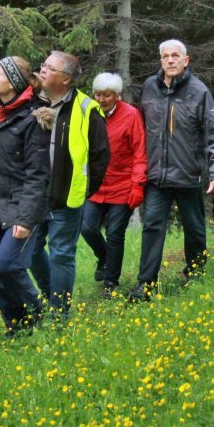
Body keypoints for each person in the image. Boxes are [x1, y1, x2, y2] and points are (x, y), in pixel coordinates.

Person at [128, 40, 214, 302]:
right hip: (157, 176)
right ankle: (145, 284)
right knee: (152, 227)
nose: (170, 60)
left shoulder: (199, 92)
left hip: (189, 175)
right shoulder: (149, 87)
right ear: (160, 61)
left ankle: (195, 272)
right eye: (165, 56)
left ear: (186, 60)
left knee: (194, 229)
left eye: (175, 56)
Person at [0, 56, 54, 334]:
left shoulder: (33, 119)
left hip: (22, 207)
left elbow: (37, 175)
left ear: (14, 82)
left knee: (9, 266)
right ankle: (15, 327)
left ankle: (39, 315)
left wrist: (26, 219)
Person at [29, 51, 110, 318]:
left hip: (66, 197)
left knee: (62, 254)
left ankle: (59, 312)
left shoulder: (87, 108)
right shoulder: (30, 102)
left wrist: (87, 189)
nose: (42, 70)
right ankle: (50, 293)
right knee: (29, 250)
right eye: (43, 65)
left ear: (65, 79)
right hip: (32, 195)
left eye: (49, 68)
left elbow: (100, 155)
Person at [79, 73, 147, 298]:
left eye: (106, 95)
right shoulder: (89, 113)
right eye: (97, 94)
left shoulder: (131, 115)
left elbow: (140, 152)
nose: (101, 99)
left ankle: (110, 282)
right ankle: (104, 257)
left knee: (115, 233)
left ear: (117, 95)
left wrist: (138, 185)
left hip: (123, 184)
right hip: (95, 185)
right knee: (87, 227)